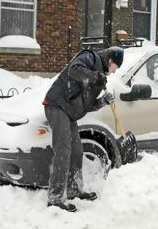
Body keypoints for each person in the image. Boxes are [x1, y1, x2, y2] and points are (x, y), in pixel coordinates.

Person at [42, 46, 124, 212]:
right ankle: (55, 197)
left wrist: (102, 102)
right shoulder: (90, 57)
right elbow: (74, 70)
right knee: (63, 151)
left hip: (69, 112)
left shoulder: (100, 78)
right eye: (116, 67)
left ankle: (74, 190)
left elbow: (87, 105)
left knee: (77, 152)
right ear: (110, 61)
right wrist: (96, 77)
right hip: (57, 105)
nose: (114, 72)